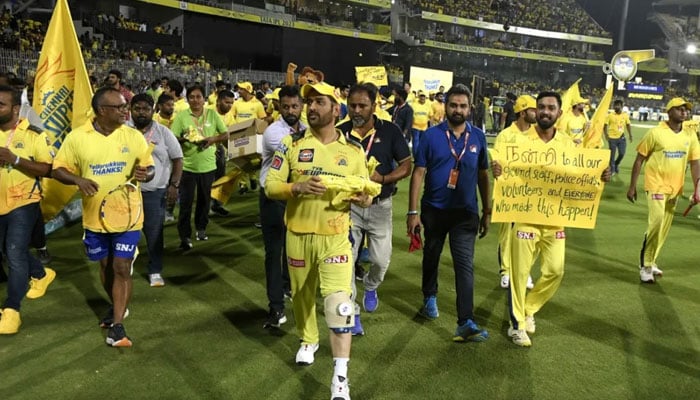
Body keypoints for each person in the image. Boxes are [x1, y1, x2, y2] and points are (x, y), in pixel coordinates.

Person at [265, 81, 372, 400]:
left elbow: (364, 191)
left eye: (319, 102)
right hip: (297, 235)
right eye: (308, 102)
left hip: (337, 238)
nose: (311, 107)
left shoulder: (353, 151)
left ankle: (340, 377)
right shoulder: (290, 144)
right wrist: (294, 188)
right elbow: (271, 185)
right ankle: (308, 339)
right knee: (301, 296)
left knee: (340, 304)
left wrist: (364, 199)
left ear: (335, 110)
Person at [492, 91, 610, 347]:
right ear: (536, 110)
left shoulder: (569, 145)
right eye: (541, 107)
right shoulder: (520, 143)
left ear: (559, 113)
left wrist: (599, 176)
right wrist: (498, 169)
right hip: (525, 218)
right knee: (520, 274)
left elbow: (581, 177)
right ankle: (517, 326)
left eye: (550, 108)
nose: (545, 112)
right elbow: (501, 168)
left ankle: (529, 308)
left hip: (555, 220)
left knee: (555, 271)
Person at [52, 87, 155, 347]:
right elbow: (58, 169)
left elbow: (149, 165)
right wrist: (78, 180)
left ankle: (118, 326)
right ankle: (115, 304)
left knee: (121, 267)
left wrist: (148, 174)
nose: (125, 111)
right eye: (119, 107)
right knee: (105, 266)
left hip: (129, 215)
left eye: (125, 106)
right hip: (95, 218)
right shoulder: (77, 138)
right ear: (101, 111)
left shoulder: (133, 136)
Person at [406, 84, 491, 343]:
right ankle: (429, 296)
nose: (457, 110)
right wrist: (413, 211)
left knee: (464, 265)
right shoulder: (431, 136)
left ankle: (465, 321)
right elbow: (418, 173)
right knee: (431, 255)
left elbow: (483, 175)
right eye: (453, 105)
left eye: (462, 106)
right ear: (446, 106)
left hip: (465, 213)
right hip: (434, 210)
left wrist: (487, 210)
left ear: (469, 109)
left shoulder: (477, 137)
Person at [337, 82, 412, 336]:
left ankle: (370, 285)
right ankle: (353, 311)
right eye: (352, 105)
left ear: (374, 106)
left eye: (362, 105)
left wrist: (383, 179)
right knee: (346, 261)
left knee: (380, 260)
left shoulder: (389, 131)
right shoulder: (340, 132)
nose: (356, 110)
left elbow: (406, 165)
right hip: (349, 208)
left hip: (380, 206)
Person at [0, 85, 56, 334]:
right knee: (6, 250)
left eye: (0, 104)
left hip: (24, 200)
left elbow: (47, 169)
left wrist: (15, 160)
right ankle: (41, 274)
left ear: (14, 108)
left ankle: (11, 311)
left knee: (14, 252)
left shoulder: (33, 134)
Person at [627, 97, 700, 283]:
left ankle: (651, 261)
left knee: (663, 229)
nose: (684, 112)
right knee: (656, 222)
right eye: (679, 109)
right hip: (656, 185)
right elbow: (639, 160)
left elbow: (695, 163)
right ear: (669, 112)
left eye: (686, 109)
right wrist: (632, 186)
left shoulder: (690, 135)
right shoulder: (655, 133)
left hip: (675, 188)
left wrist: (698, 186)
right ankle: (645, 266)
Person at [259, 85, 305, 329]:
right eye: (285, 106)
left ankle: (287, 287)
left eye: (295, 106)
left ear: (301, 106)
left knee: (294, 248)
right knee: (274, 252)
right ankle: (275, 306)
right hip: (274, 197)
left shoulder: (306, 128)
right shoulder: (273, 132)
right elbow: (296, 153)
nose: (290, 111)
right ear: (278, 106)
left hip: (295, 197)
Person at [128, 94, 183, 287]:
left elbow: (178, 159)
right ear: (130, 109)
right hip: (127, 192)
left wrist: (174, 185)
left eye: (145, 109)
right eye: (137, 108)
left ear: (153, 110)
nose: (141, 112)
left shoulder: (163, 133)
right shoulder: (122, 131)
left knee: (154, 233)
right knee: (125, 231)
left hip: (154, 192)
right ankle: (125, 266)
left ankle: (155, 269)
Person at [170, 85, 228, 250]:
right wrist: (186, 138)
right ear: (187, 99)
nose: (195, 100)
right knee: (186, 204)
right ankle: (185, 236)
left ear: (204, 99)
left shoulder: (212, 114)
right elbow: (173, 137)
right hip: (188, 167)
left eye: (198, 97)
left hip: (208, 166)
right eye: (192, 97)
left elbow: (225, 134)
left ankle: (201, 228)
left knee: (204, 201)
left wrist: (212, 139)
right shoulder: (182, 116)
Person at [493, 95, 536, 290]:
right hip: (508, 192)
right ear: (523, 112)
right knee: (507, 234)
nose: (537, 113)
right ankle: (506, 271)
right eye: (534, 110)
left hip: (530, 193)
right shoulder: (505, 136)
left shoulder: (537, 135)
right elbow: (497, 162)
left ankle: (523, 271)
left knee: (528, 235)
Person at [604, 99, 633, 176]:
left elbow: (628, 125)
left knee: (622, 153)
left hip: (621, 138)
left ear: (621, 106)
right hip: (612, 138)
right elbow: (605, 125)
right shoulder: (610, 115)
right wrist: (606, 135)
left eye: (618, 105)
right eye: (615, 105)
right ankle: (612, 169)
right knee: (612, 155)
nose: (616, 107)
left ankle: (616, 164)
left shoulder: (625, 115)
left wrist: (630, 135)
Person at [410, 90, 432, 157]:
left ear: (425, 97)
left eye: (423, 97)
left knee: (422, 143)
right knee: (416, 143)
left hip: (424, 128)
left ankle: (420, 156)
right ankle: (416, 157)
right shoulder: (413, 105)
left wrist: (430, 127)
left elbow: (431, 116)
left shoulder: (428, 106)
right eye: (421, 96)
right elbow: (411, 116)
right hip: (415, 127)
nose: (422, 98)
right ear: (419, 97)